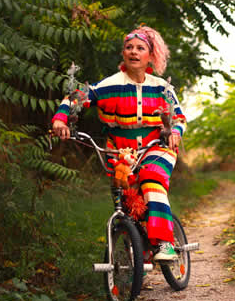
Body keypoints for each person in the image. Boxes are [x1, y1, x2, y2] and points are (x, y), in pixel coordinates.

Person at [51, 25, 187, 262]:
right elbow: (77, 97)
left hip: (157, 146)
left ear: (150, 56)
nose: (133, 52)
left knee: (152, 178)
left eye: (140, 48)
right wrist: (60, 119)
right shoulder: (110, 85)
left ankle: (165, 242)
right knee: (127, 198)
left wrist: (175, 131)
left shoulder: (162, 87)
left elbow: (179, 117)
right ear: (123, 53)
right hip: (120, 149)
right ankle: (139, 251)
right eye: (129, 47)